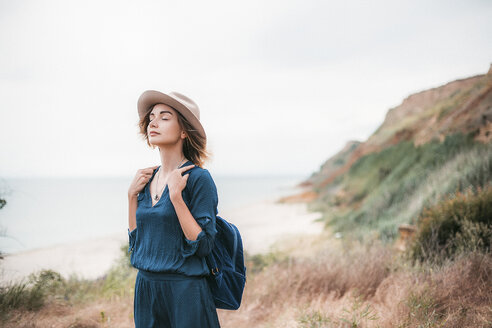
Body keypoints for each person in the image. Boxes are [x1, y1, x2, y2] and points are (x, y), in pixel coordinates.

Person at [127, 90, 221, 327]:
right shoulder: (146, 179)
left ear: (183, 132)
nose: (154, 123)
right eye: (151, 118)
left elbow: (203, 245)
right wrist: (131, 197)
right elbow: (137, 245)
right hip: (146, 290)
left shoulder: (199, 178)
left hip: (185, 292)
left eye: (164, 117)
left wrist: (176, 198)